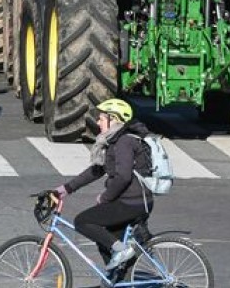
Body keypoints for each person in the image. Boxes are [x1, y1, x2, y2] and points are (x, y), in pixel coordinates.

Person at [53, 99, 154, 271]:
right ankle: (116, 277)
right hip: (130, 200)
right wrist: (66, 188)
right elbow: (97, 170)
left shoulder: (124, 142)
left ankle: (123, 252)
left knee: (83, 221)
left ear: (114, 119)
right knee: (105, 240)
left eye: (101, 118)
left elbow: (123, 177)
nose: (98, 122)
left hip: (133, 202)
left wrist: (105, 198)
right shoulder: (113, 140)